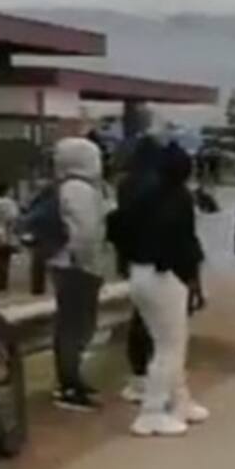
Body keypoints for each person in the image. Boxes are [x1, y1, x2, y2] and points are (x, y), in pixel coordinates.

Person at [125, 142, 207, 436]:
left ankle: (179, 400)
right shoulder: (179, 198)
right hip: (165, 275)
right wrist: (194, 280)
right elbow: (185, 244)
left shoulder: (143, 194)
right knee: (169, 346)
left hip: (140, 272)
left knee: (168, 341)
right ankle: (152, 412)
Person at [48, 137, 109, 412]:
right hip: (77, 267)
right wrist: (89, 264)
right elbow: (85, 232)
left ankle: (72, 379)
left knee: (73, 325)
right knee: (75, 327)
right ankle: (69, 385)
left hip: (68, 265)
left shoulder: (70, 187)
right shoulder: (79, 190)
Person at [108, 134, 162, 406]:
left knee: (140, 314)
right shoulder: (159, 184)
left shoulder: (126, 184)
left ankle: (138, 374)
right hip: (158, 257)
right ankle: (152, 374)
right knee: (157, 318)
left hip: (132, 257)